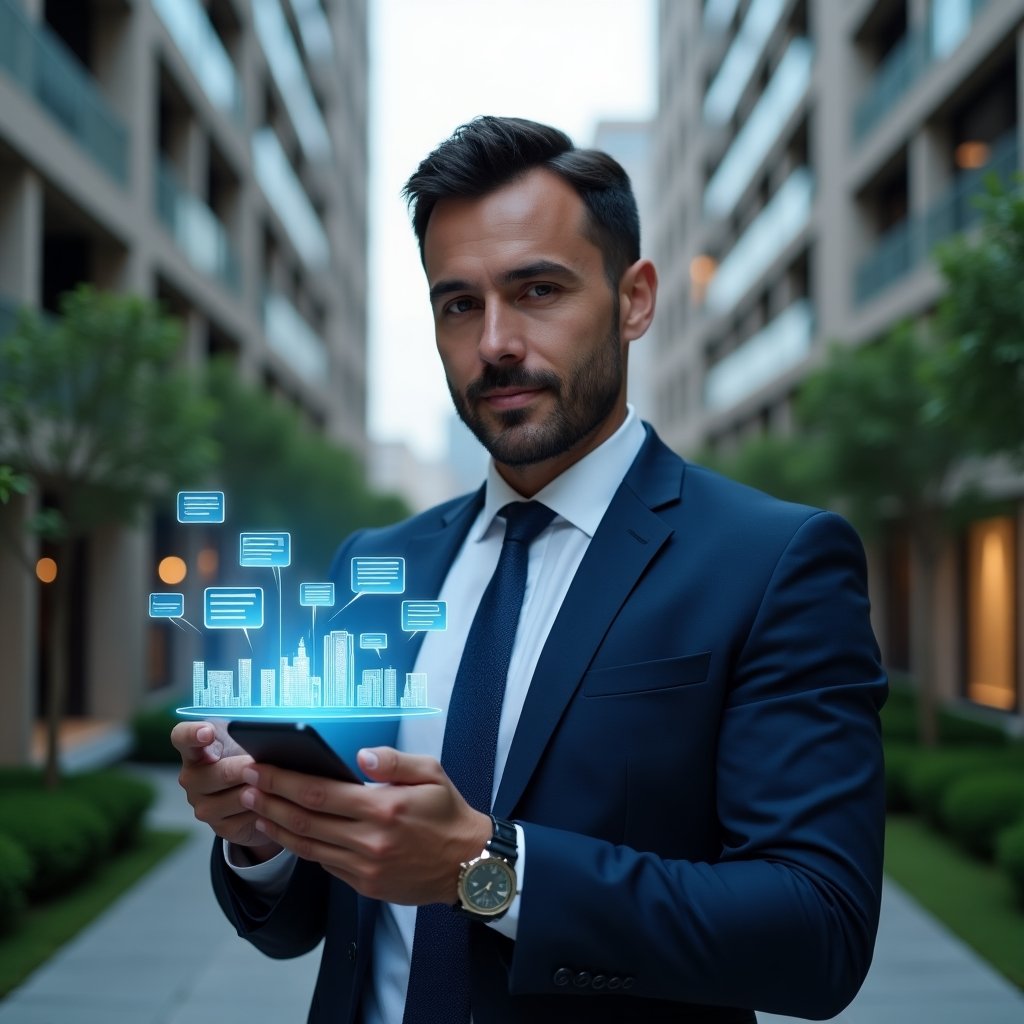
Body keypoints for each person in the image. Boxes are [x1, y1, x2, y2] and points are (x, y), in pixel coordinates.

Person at [172, 115, 887, 1024]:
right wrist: (262, 837)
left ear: (635, 299)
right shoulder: (377, 569)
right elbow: (311, 921)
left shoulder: (775, 562)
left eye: (538, 289)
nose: (495, 342)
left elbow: (816, 936)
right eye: (459, 303)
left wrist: (486, 872)